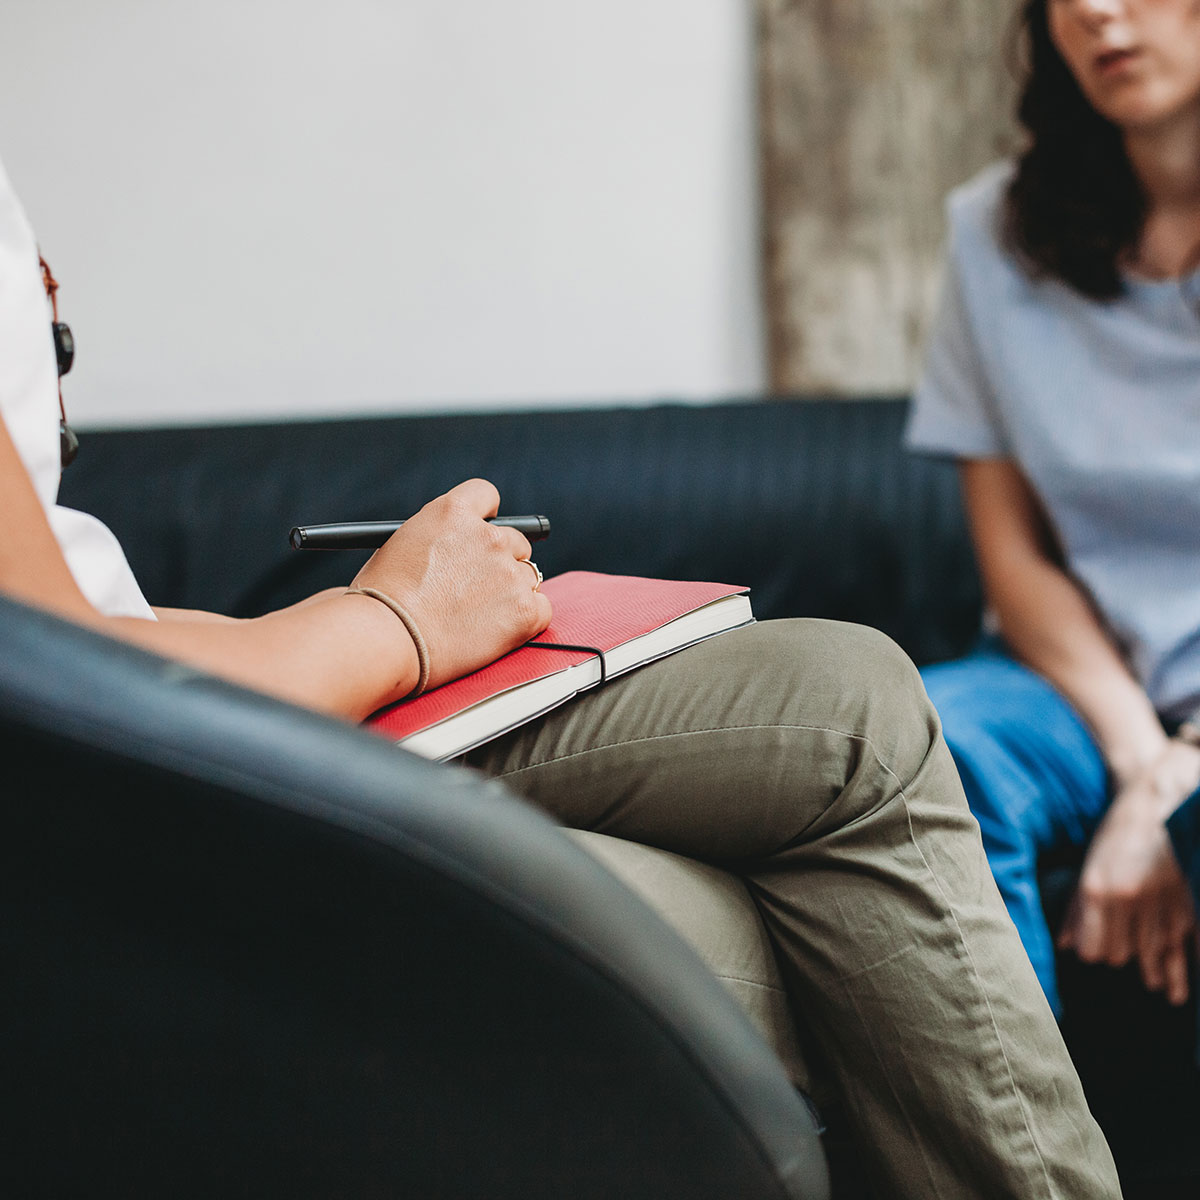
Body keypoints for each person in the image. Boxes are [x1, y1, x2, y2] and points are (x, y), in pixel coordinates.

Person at [0, 150, 1118, 1196]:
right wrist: (396, 618)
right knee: (800, 873)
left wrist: (342, 628)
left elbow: (85, 610)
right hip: (134, 812)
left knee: (844, 701)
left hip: (184, 729)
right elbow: (61, 680)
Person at [908, 0, 1200, 1022]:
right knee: (920, 747)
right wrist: (1144, 766)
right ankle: (1018, 1172)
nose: (1096, 10)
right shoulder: (993, 236)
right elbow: (1015, 559)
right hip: (1079, 686)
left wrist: (1187, 772)